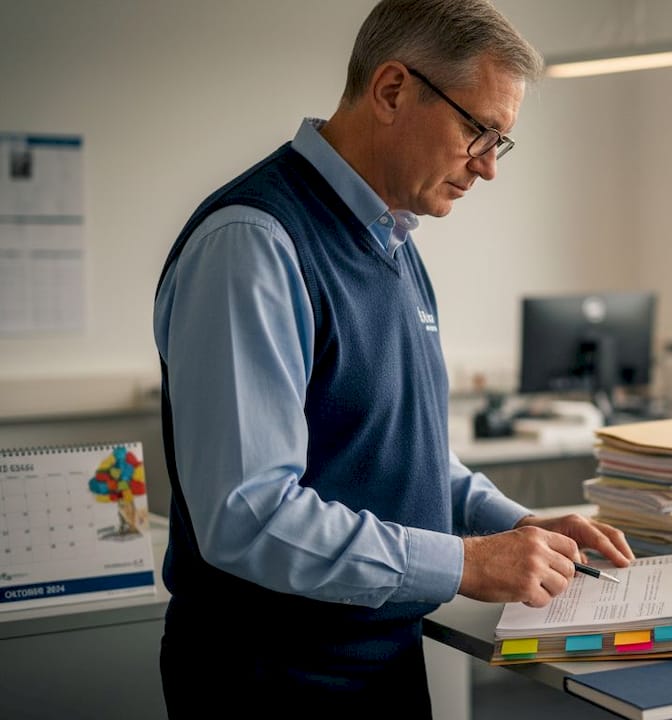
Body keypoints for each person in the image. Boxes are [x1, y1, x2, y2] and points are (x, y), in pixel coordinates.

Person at [152, 1, 633, 716]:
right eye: (479, 130)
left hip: (377, 669)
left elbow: (400, 455)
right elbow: (248, 516)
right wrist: (468, 563)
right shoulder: (253, 245)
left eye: (501, 142)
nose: (487, 168)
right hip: (273, 681)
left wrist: (514, 526)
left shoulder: (391, 241)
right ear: (392, 90)